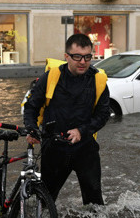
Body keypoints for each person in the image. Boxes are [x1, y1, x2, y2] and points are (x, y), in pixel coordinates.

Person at [23, 34, 111, 205]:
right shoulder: (50, 77)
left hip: (85, 148)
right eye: (77, 57)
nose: (83, 62)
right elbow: (31, 106)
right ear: (66, 56)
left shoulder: (98, 81)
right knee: (46, 199)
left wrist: (81, 131)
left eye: (87, 57)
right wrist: (31, 128)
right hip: (54, 147)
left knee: (94, 200)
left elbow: (103, 115)